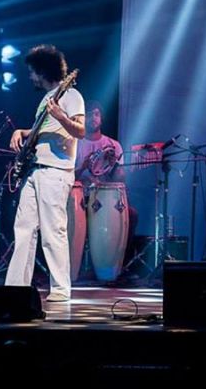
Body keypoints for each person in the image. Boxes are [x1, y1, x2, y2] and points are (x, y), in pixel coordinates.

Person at [6, 44, 85, 302]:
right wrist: (22, 131)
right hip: (35, 170)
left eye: (32, 71)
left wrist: (61, 116)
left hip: (55, 171)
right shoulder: (46, 99)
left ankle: (61, 289)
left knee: (53, 232)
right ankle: (15, 288)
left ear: (42, 71)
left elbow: (80, 130)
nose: (30, 77)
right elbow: (43, 130)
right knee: (24, 230)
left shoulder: (71, 95)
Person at [68, 101, 138, 281]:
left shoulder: (113, 145)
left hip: (105, 198)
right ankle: (74, 267)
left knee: (131, 215)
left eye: (96, 114)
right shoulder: (75, 144)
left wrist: (113, 164)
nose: (93, 118)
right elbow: (67, 176)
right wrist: (83, 167)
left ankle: (117, 266)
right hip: (82, 197)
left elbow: (121, 179)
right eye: (89, 114)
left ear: (102, 118)